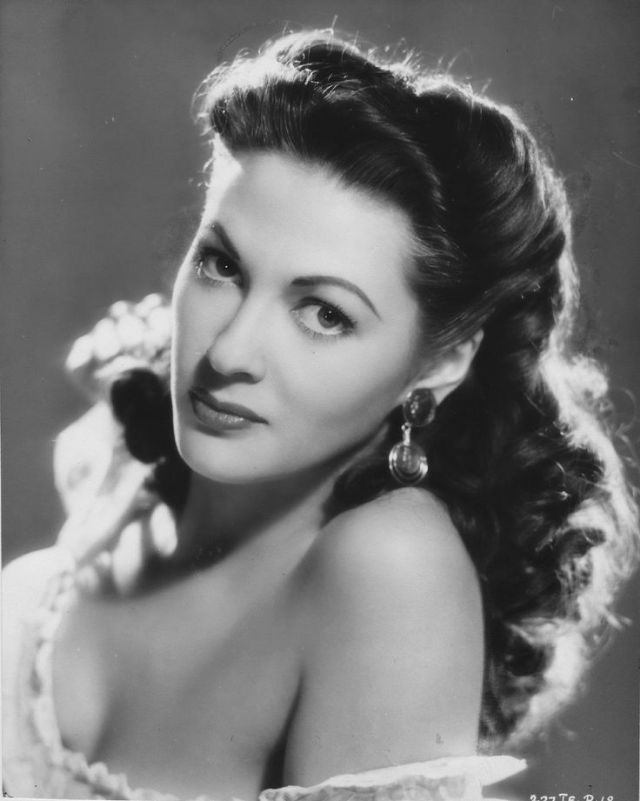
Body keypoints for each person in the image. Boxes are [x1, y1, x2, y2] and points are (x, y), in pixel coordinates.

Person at [2, 28, 638, 801]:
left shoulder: (391, 565)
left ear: (441, 360)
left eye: (325, 314)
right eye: (222, 265)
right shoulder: (120, 473)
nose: (229, 352)